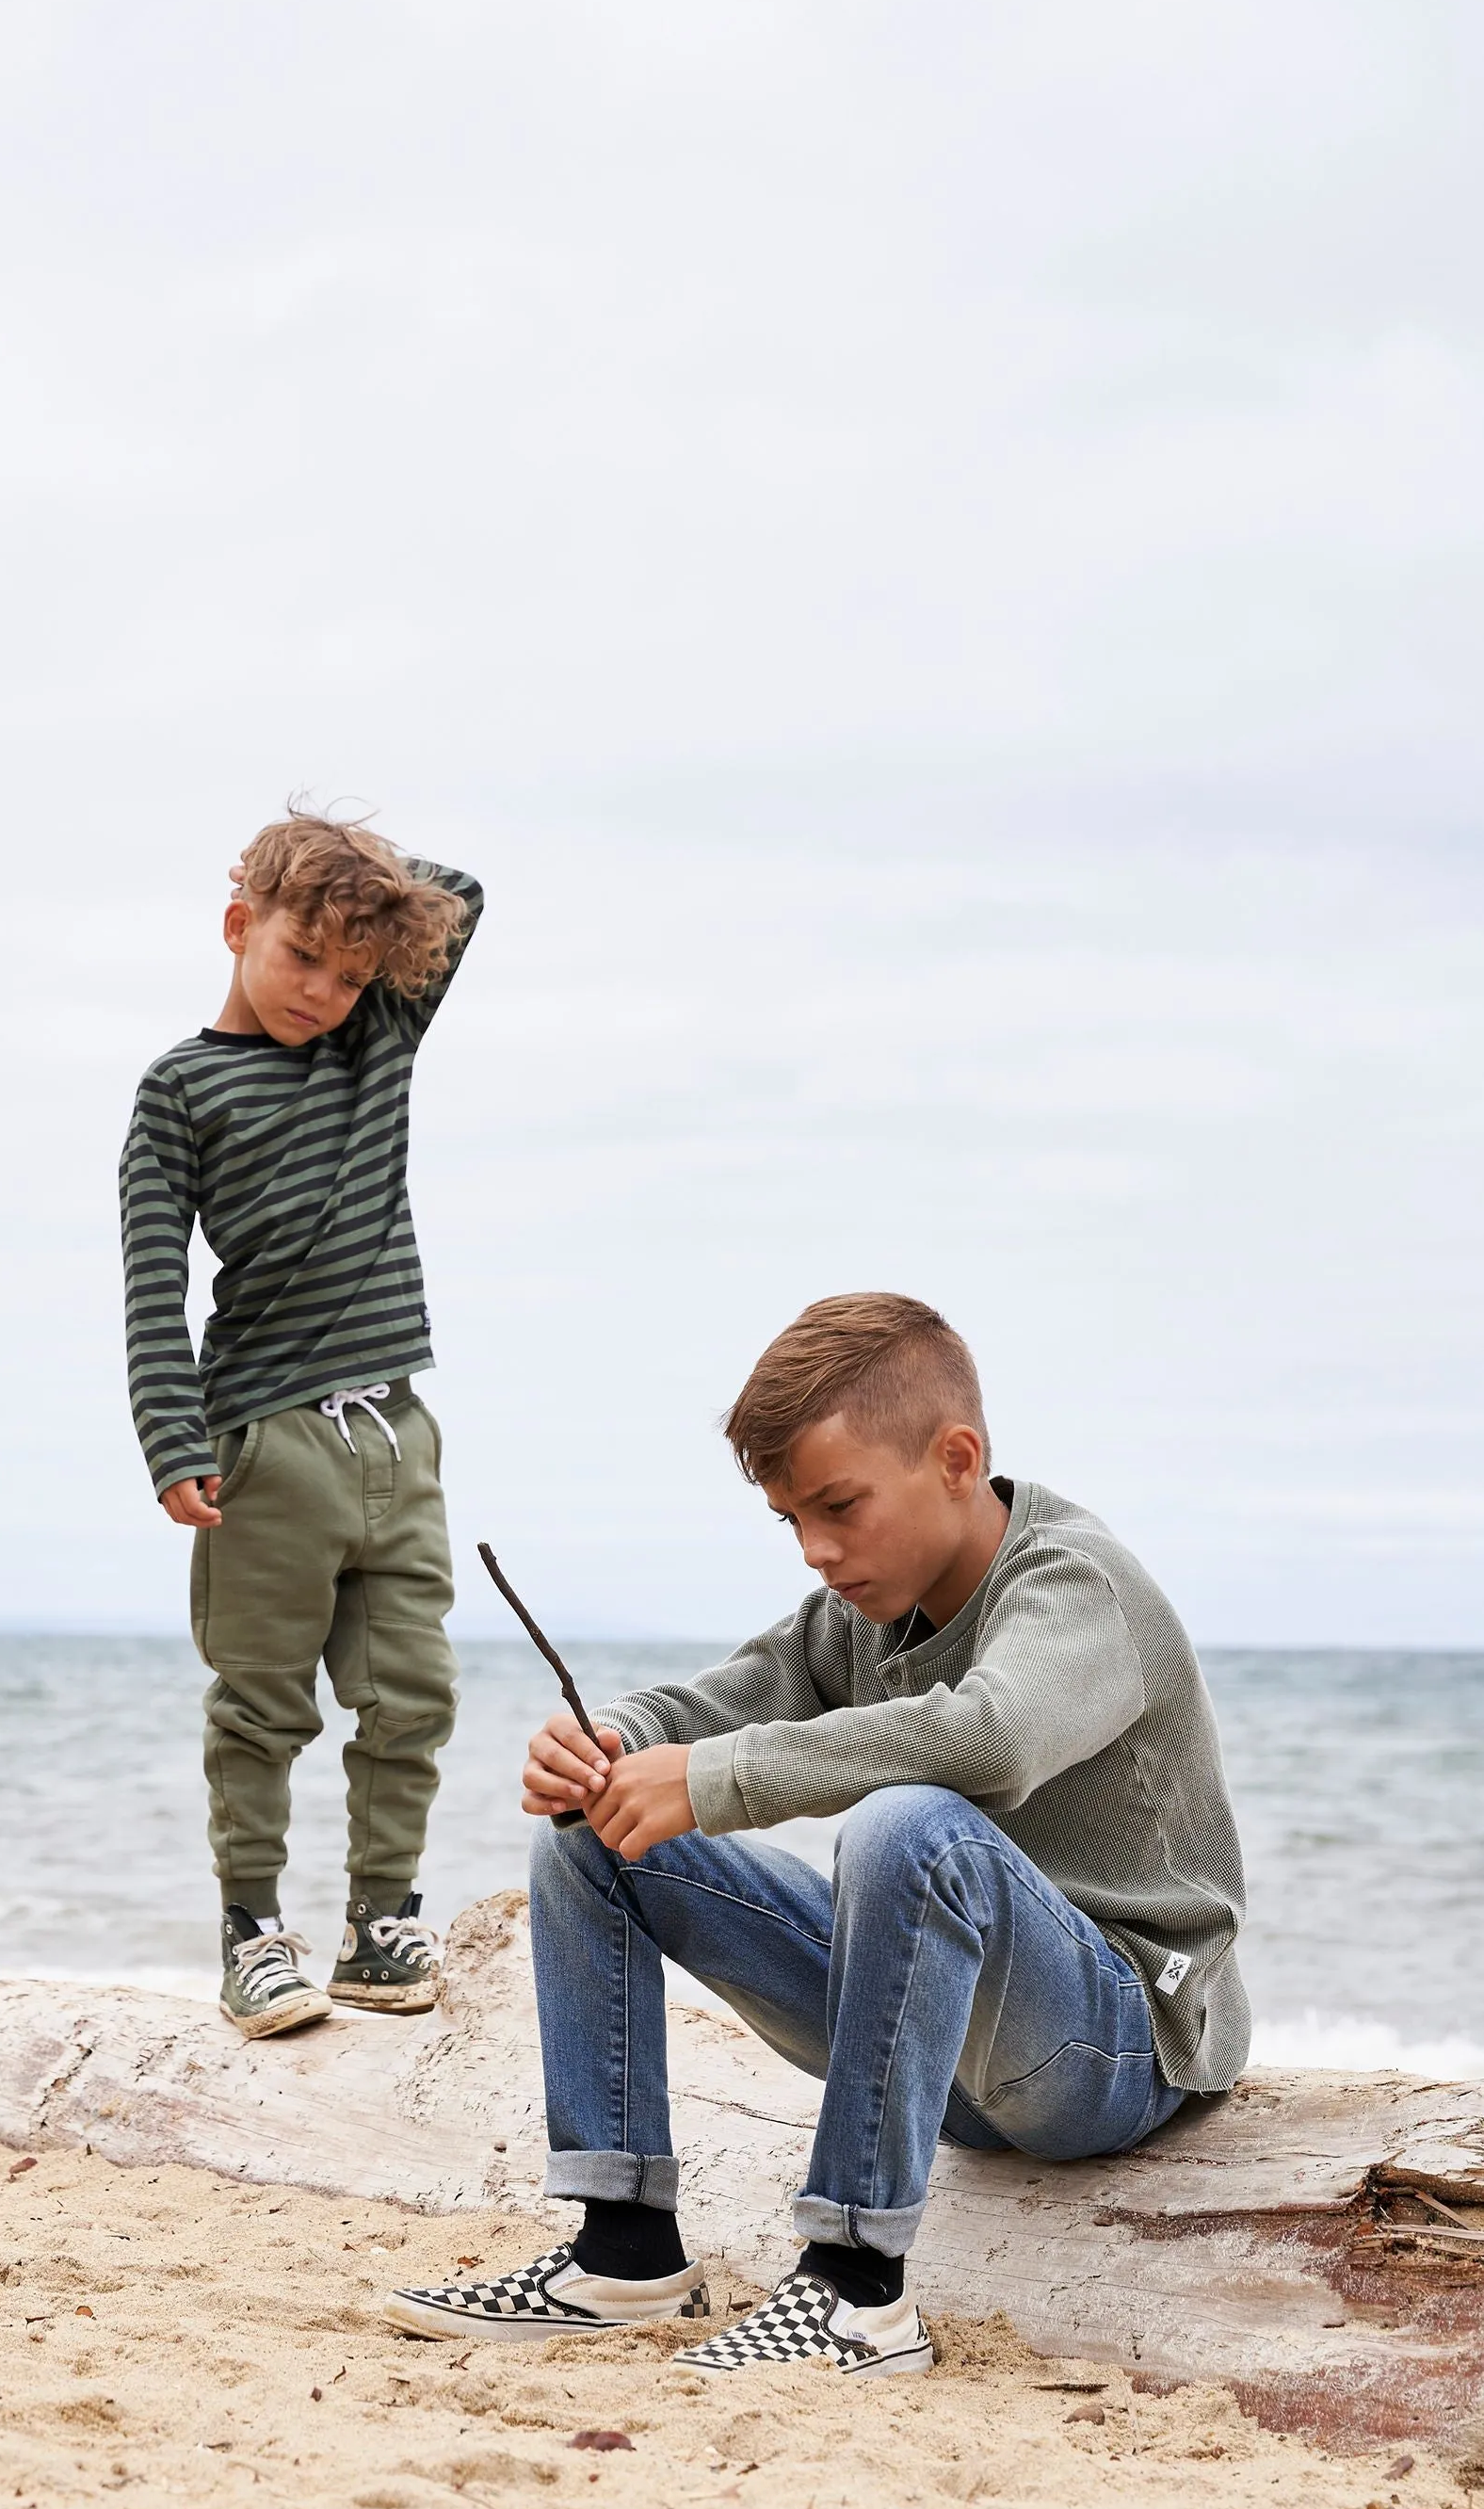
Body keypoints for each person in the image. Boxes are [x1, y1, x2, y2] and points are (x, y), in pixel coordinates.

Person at [387, 1291, 1250, 2374]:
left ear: (955, 1457)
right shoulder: (868, 1611)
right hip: (942, 2054)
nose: (815, 1549)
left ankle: (855, 2292)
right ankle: (624, 2251)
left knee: (909, 1829)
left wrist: (717, 1779)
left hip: (1118, 2045)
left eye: (840, 1506)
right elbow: (726, 1701)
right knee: (594, 1829)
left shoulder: (1076, 1587)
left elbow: (994, 1738)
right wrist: (612, 1743)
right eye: (793, 1520)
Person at [120, 810, 482, 2039]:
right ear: (237, 927)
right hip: (265, 1438)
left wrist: (352, 901)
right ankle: (250, 1934)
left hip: (398, 1431)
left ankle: (382, 1922)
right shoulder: (180, 1087)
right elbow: (150, 1273)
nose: (323, 992)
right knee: (261, 1703)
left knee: (411, 1690)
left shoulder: (375, 1038)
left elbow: (461, 894)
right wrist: (171, 1437)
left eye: (347, 972)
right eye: (297, 958)